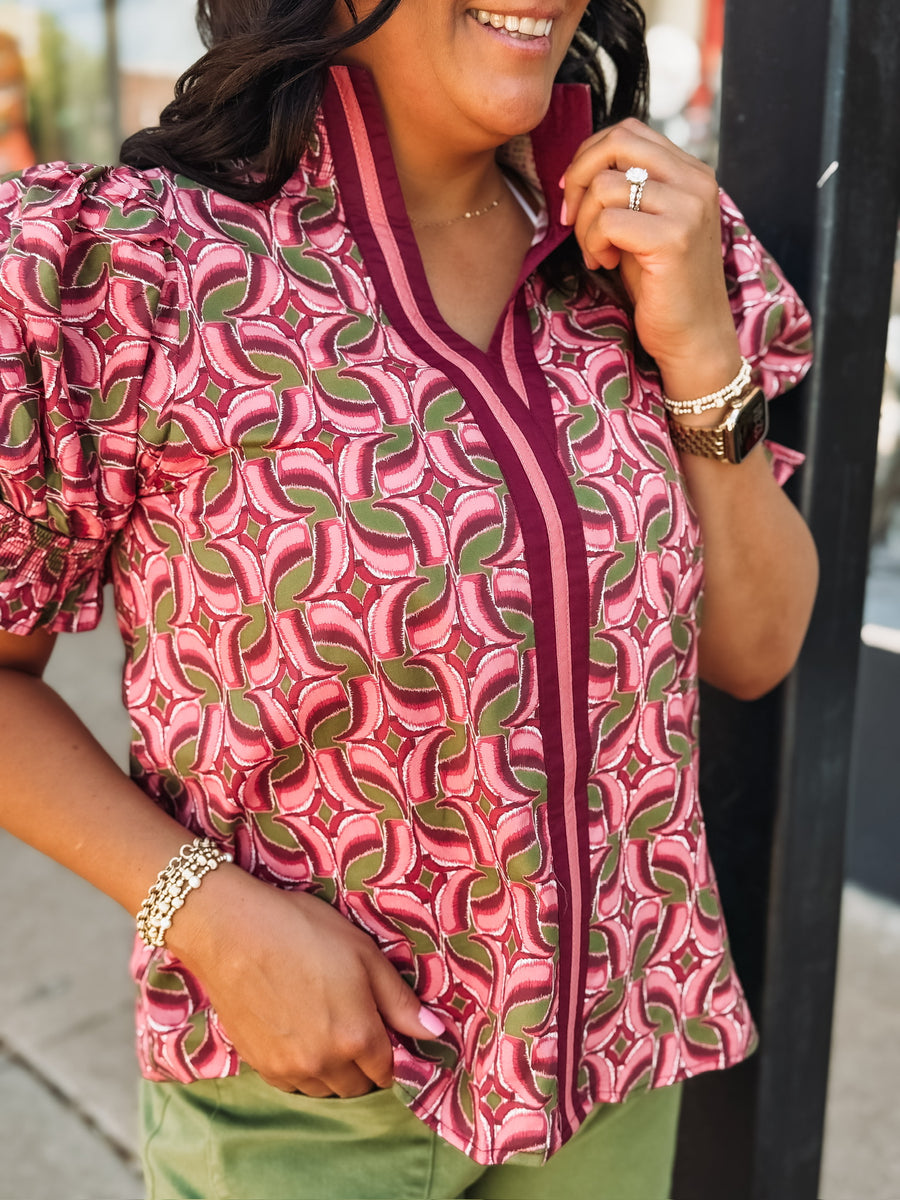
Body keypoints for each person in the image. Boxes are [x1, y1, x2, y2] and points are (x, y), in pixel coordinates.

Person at [0, 1, 819, 1197]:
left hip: (622, 1080)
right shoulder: (131, 270)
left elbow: (757, 646)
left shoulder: (641, 239)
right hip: (309, 1105)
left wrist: (696, 346)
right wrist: (204, 911)